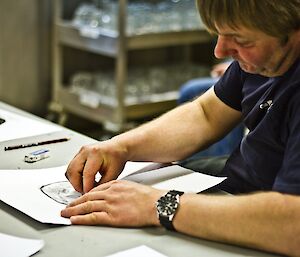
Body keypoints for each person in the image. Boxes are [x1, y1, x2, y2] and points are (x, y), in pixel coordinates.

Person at [61, 0, 300, 256]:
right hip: (241, 185)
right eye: (219, 33)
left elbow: (292, 226)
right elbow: (206, 114)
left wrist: (159, 205)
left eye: (240, 40)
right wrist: (120, 146)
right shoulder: (267, 57)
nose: (220, 51)